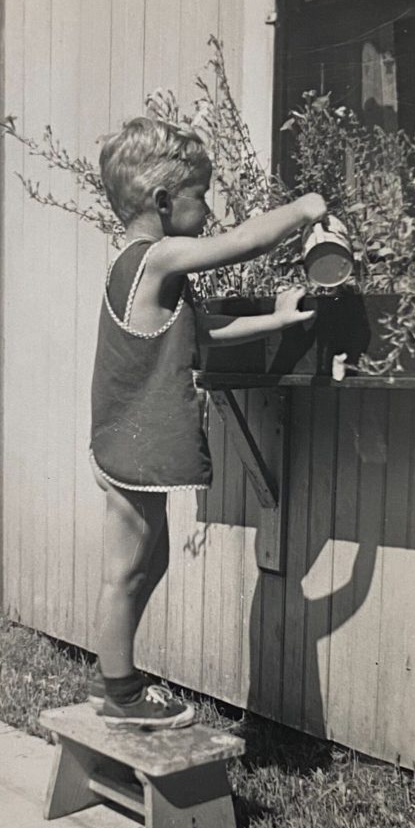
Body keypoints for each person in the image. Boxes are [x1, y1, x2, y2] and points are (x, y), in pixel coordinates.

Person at [88, 116, 327, 730]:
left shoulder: (150, 273)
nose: (212, 208)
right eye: (203, 193)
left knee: (152, 560)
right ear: (165, 202)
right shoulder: (157, 257)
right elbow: (244, 243)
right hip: (132, 447)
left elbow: (204, 334)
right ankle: (121, 694)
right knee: (127, 570)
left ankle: (118, 679)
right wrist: (302, 209)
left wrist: (274, 320)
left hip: (126, 441)